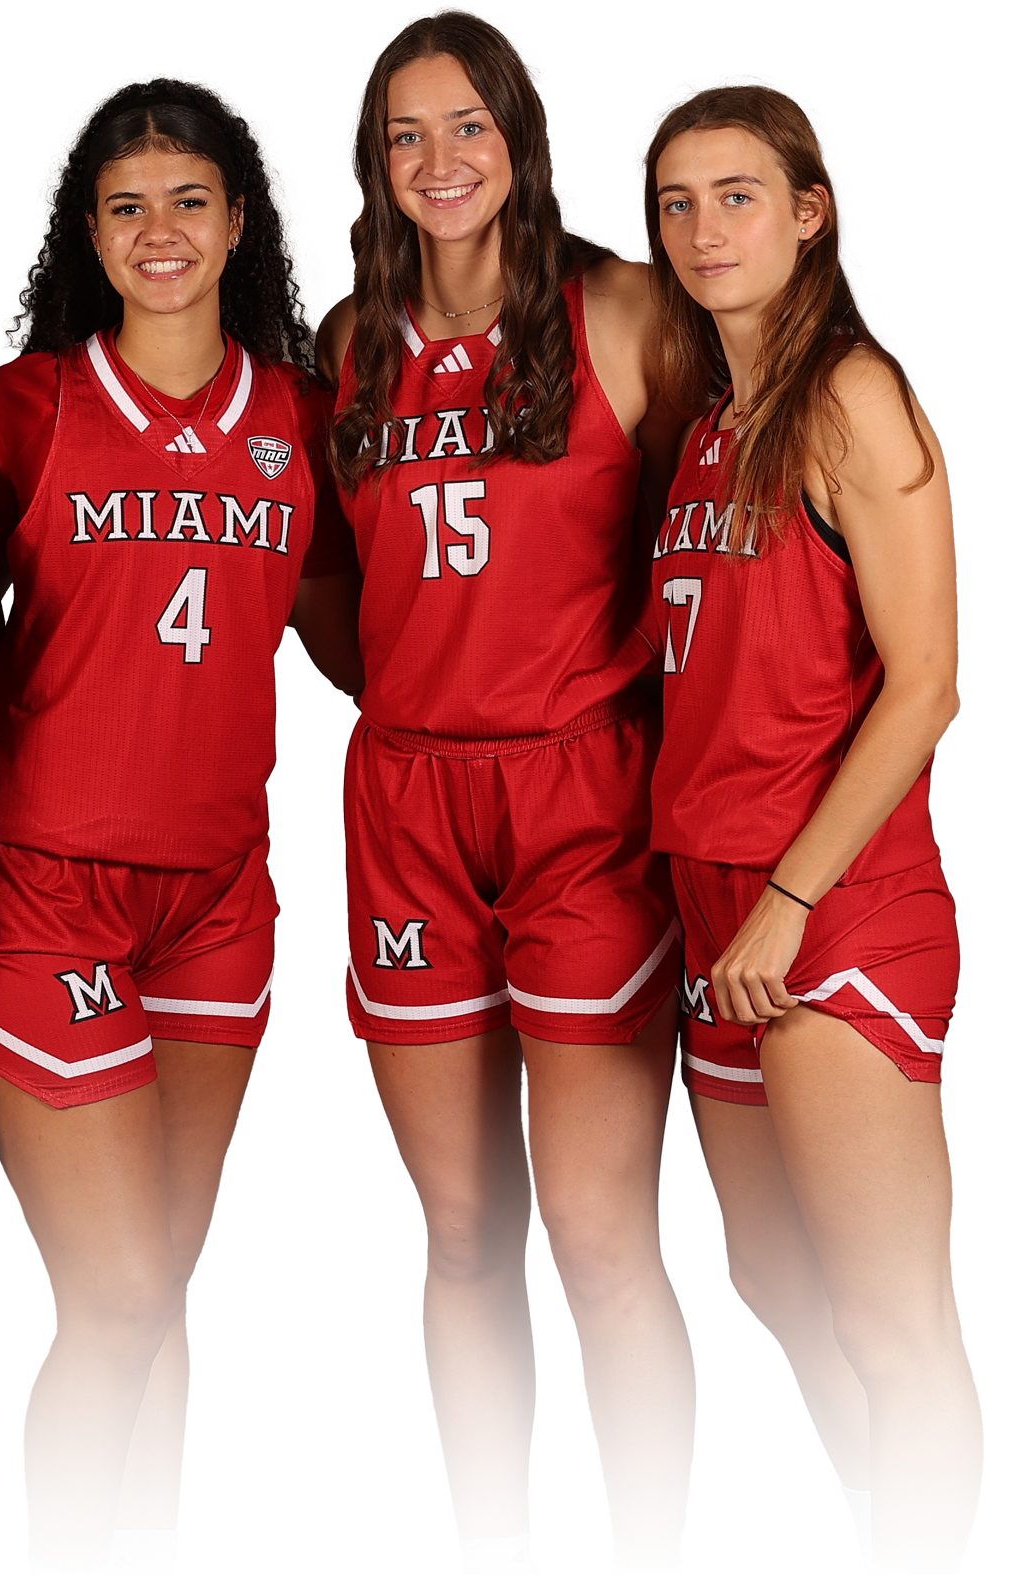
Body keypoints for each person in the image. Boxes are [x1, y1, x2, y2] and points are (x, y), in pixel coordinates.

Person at [0, 74, 362, 1575]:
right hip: (47, 879)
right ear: (89, 235)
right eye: (124, 207)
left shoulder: (298, 417)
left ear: (241, 217)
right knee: (114, 1289)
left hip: (218, 891)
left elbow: (349, 644)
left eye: (188, 199)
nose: (159, 230)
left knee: (162, 1284)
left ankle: (143, 1559)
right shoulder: (27, 405)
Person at [318, 9, 694, 1575]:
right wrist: (429, 702)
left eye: (467, 125)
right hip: (409, 799)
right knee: (466, 1233)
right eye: (407, 134)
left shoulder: (624, 313)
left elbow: (711, 546)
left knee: (599, 1234)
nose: (439, 160)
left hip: (586, 795)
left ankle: (648, 1563)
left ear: (522, 137)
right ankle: (494, 1561)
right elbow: (335, 595)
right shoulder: (352, 344)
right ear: (373, 163)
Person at [642, 79, 980, 1575]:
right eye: (678, 201)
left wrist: (788, 893)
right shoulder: (720, 416)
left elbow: (927, 689)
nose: (707, 228)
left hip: (830, 903)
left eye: (737, 195)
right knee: (771, 1277)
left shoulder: (852, 394)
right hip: (717, 900)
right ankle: (877, 1535)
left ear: (809, 212)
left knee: (893, 1317)